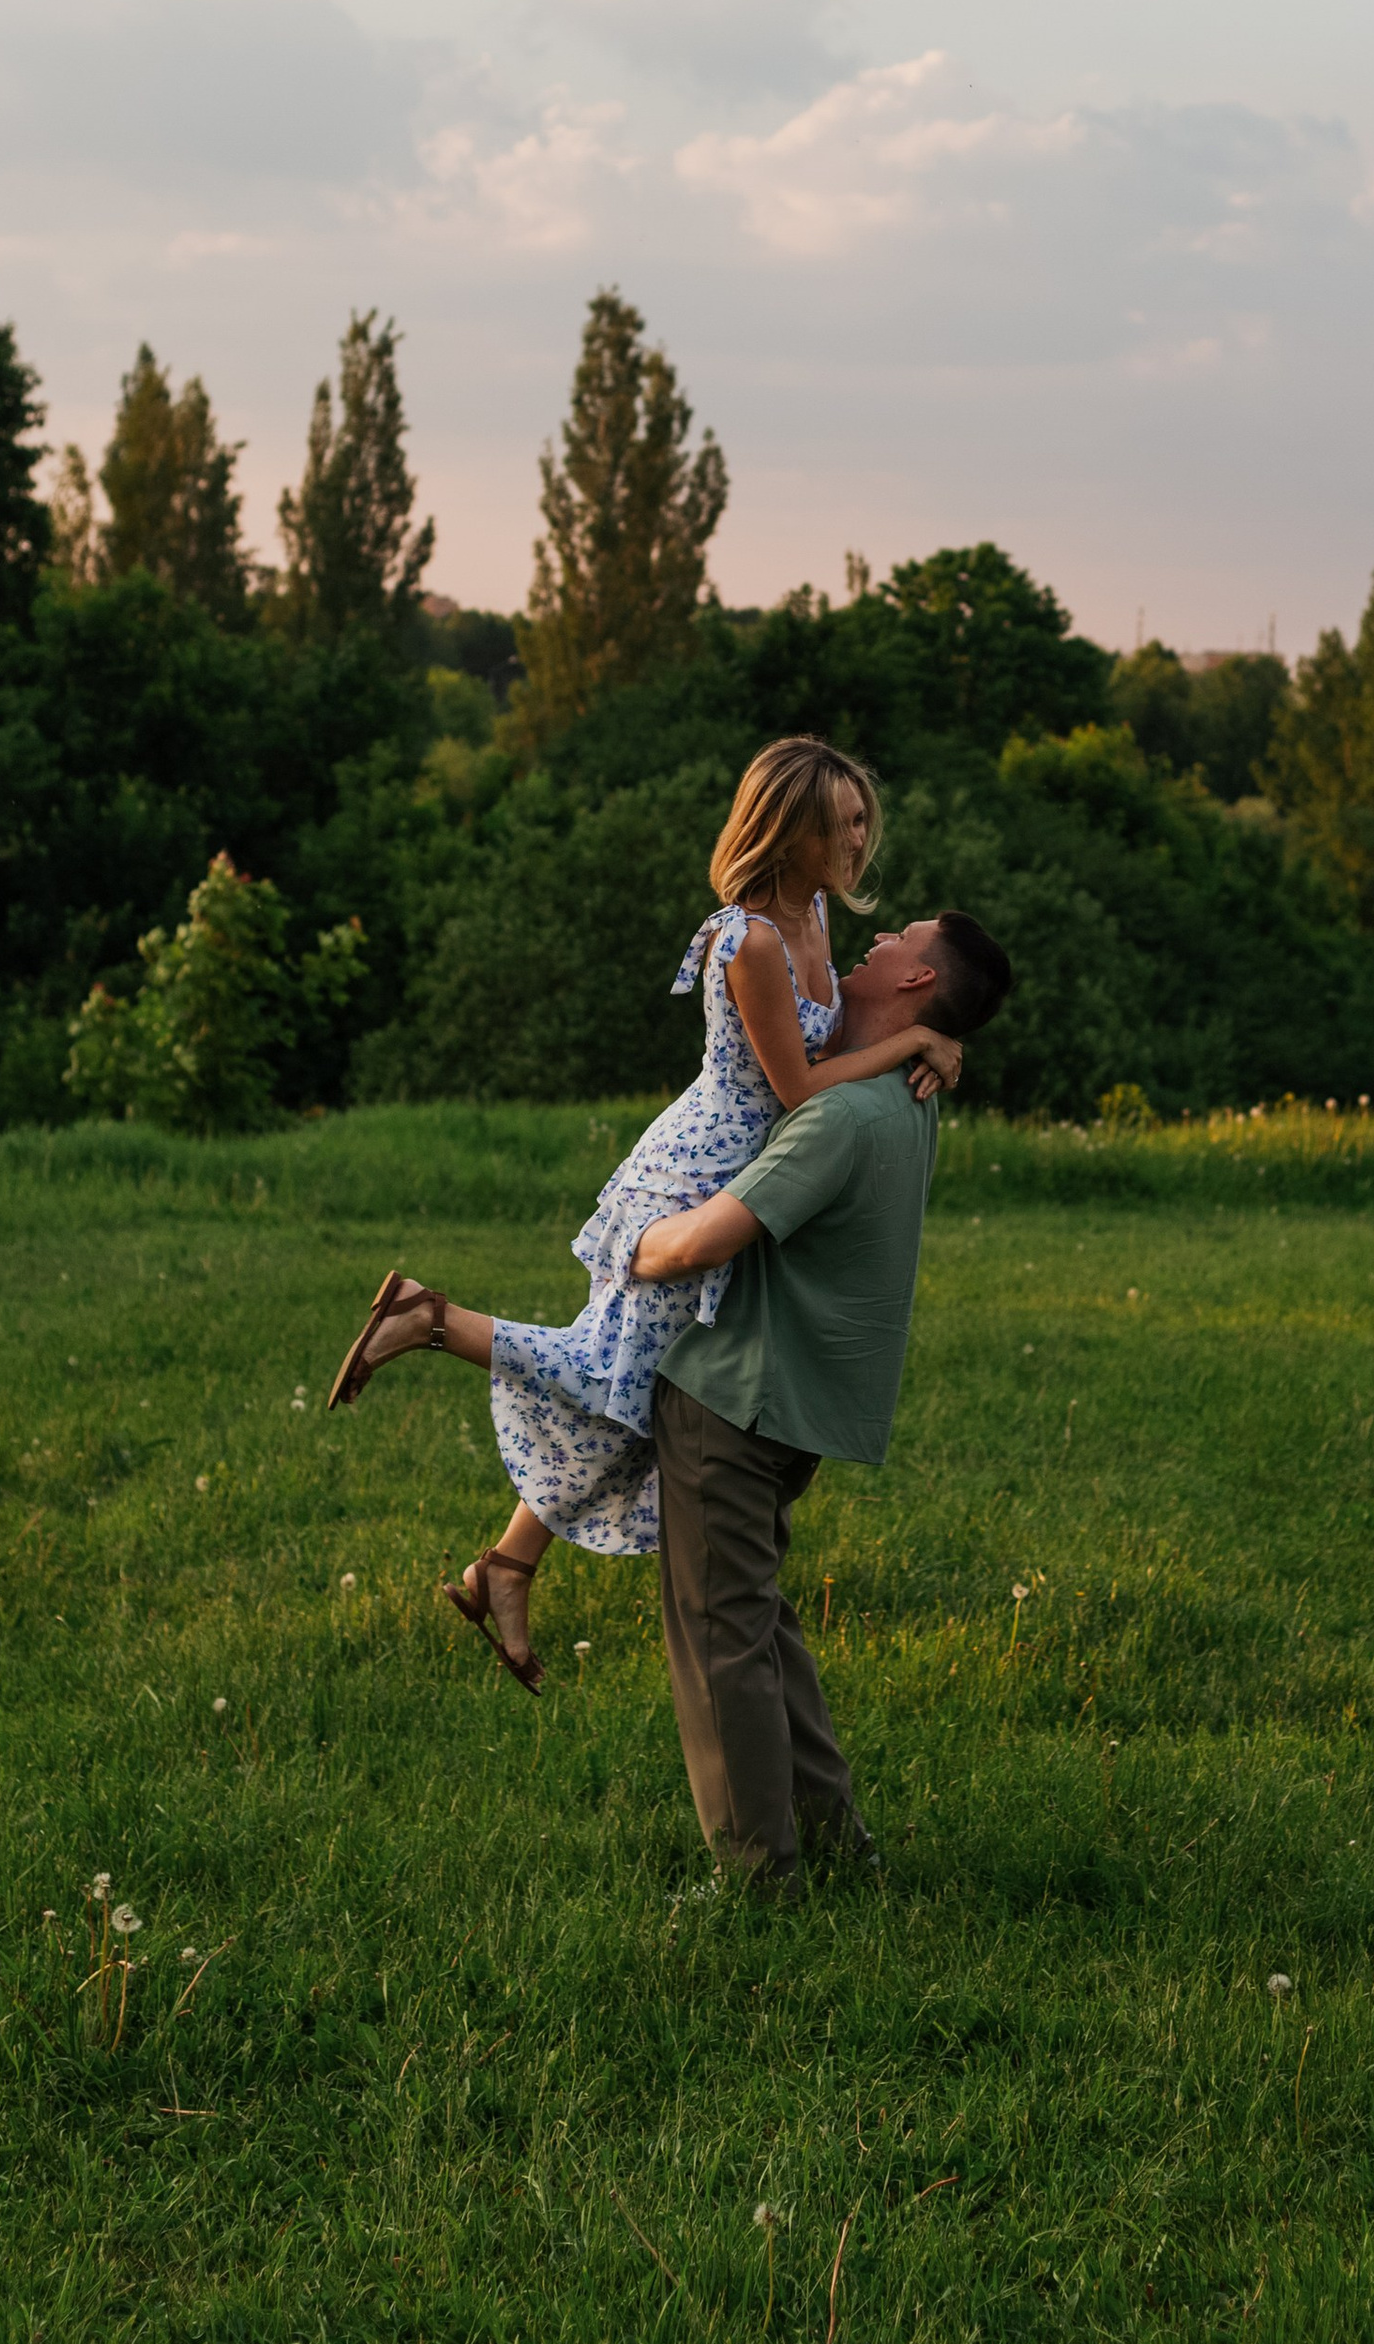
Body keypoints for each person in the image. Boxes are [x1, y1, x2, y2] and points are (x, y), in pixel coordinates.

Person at [326, 736, 962, 1688]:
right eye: (841, 822)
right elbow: (797, 1088)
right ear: (787, 831)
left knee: (637, 1397)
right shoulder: (749, 940)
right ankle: (428, 1319)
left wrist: (930, 1032)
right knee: (615, 1376)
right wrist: (915, 1038)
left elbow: (826, 1062)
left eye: (863, 817)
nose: (859, 837)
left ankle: (506, 1567)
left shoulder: (817, 913)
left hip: (746, 1173)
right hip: (695, 1176)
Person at [630, 903, 1014, 1897]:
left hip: (737, 1397)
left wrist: (633, 1240)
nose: (873, 942)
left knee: (720, 1640)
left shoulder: (840, 1118)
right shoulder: (905, 1098)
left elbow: (702, 1242)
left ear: (917, 980)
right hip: (792, 1406)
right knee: (758, 1626)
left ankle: (757, 1879)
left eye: (898, 940)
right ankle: (833, 1841)